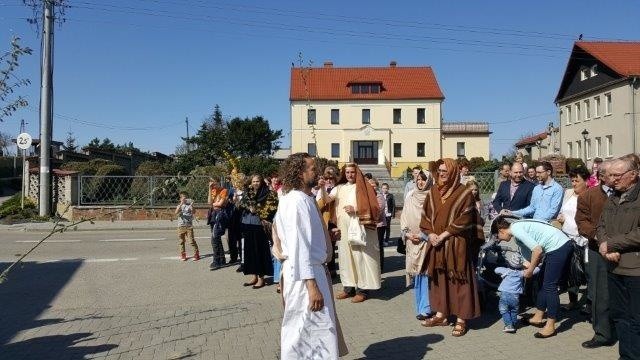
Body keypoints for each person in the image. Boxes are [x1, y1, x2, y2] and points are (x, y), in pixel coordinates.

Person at [274, 153, 348, 359]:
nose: (317, 171)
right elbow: (299, 246)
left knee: (318, 332)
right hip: (305, 276)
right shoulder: (296, 202)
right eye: (312, 168)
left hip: (311, 271)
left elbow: (306, 239)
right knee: (305, 331)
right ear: (299, 173)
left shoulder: (304, 199)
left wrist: (324, 238)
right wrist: (311, 285)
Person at [419, 158, 484, 337]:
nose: (441, 173)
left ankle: (462, 319)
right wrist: (431, 234)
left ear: (453, 172)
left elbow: (465, 219)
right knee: (439, 281)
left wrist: (444, 234)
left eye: (445, 170)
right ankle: (441, 314)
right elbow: (425, 217)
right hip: (436, 244)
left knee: (459, 283)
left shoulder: (465, 193)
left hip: (456, 245)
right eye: (439, 170)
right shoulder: (432, 192)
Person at [494, 217, 573, 339]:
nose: (500, 241)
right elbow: (529, 255)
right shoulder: (517, 235)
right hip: (554, 247)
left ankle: (551, 326)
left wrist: (530, 270)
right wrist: (525, 266)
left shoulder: (516, 229)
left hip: (559, 247)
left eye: (498, 237)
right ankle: (538, 317)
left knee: (550, 286)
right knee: (542, 282)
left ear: (501, 230)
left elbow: (537, 250)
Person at [596, 157, 640, 360]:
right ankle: (626, 356)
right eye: (610, 175)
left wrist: (612, 244)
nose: (611, 180)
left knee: (636, 319)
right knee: (621, 316)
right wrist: (605, 247)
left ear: (633, 174)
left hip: (635, 270)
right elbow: (601, 225)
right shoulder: (612, 197)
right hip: (614, 267)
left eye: (616, 175)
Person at [322, 163, 381, 303]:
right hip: (344, 230)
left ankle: (362, 290)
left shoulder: (365, 187)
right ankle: (348, 288)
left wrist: (355, 209)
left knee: (360, 258)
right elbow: (327, 200)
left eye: (352, 172)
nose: (349, 175)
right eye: (347, 172)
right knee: (345, 259)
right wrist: (321, 188)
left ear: (357, 173)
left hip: (359, 229)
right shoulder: (339, 188)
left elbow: (375, 208)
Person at [575, 160, 617, 349]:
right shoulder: (588, 196)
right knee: (600, 294)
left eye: (618, 174)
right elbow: (582, 222)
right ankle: (602, 333)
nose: (616, 178)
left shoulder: (627, 193)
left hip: (626, 249)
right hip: (597, 250)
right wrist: (600, 239)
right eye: (612, 175)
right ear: (601, 176)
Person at [555, 167, 590, 310]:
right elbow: (563, 212)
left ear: (586, 181)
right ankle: (572, 300)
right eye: (572, 180)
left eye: (577, 181)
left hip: (583, 239)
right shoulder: (568, 193)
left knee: (587, 272)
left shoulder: (589, 196)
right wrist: (561, 217)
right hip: (567, 237)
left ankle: (589, 303)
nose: (574, 183)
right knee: (571, 271)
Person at [401, 170, 433, 321]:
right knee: (418, 276)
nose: (420, 182)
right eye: (418, 179)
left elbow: (435, 222)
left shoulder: (433, 198)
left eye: (423, 179)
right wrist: (407, 234)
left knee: (426, 274)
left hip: (426, 242)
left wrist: (422, 235)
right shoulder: (411, 196)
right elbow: (404, 217)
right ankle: (420, 307)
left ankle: (427, 308)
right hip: (411, 241)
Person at [238, 174, 278, 289]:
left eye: (258, 181)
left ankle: (261, 278)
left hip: (259, 225)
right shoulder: (247, 192)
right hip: (247, 223)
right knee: (249, 251)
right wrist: (248, 207)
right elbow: (241, 204)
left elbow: (273, 207)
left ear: (261, 182)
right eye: (254, 181)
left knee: (259, 251)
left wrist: (259, 210)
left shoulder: (267, 193)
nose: (255, 183)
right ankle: (254, 275)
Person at [495, 255, 540, 333]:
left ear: (509, 264)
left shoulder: (506, 271)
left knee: (504, 310)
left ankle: (509, 325)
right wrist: (540, 266)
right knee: (514, 310)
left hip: (505, 295)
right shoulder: (521, 273)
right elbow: (534, 271)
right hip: (515, 296)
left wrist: (504, 269)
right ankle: (514, 324)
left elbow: (496, 270)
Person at [316, 166, 339, 277]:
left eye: (331, 178)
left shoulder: (337, 189)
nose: (328, 180)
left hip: (333, 221)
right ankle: (328, 269)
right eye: (326, 178)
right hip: (323, 221)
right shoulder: (320, 189)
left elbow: (324, 202)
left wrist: (322, 190)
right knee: (324, 246)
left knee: (331, 246)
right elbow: (318, 204)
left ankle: (331, 270)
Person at [228, 171, 246, 272]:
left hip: (242, 218)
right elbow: (228, 203)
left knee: (242, 241)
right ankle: (236, 258)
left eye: (238, 180)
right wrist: (232, 200)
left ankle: (243, 262)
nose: (236, 182)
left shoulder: (246, 192)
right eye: (235, 180)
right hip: (234, 218)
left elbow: (244, 205)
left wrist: (237, 201)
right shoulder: (231, 191)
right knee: (234, 239)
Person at [175, 191, 200, 261]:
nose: (184, 199)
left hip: (189, 226)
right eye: (183, 197)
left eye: (185, 197)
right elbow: (176, 212)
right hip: (181, 226)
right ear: (180, 198)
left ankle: (196, 253)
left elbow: (194, 212)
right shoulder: (179, 206)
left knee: (191, 241)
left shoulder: (189, 205)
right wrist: (181, 204)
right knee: (181, 241)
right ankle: (183, 254)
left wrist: (192, 205)